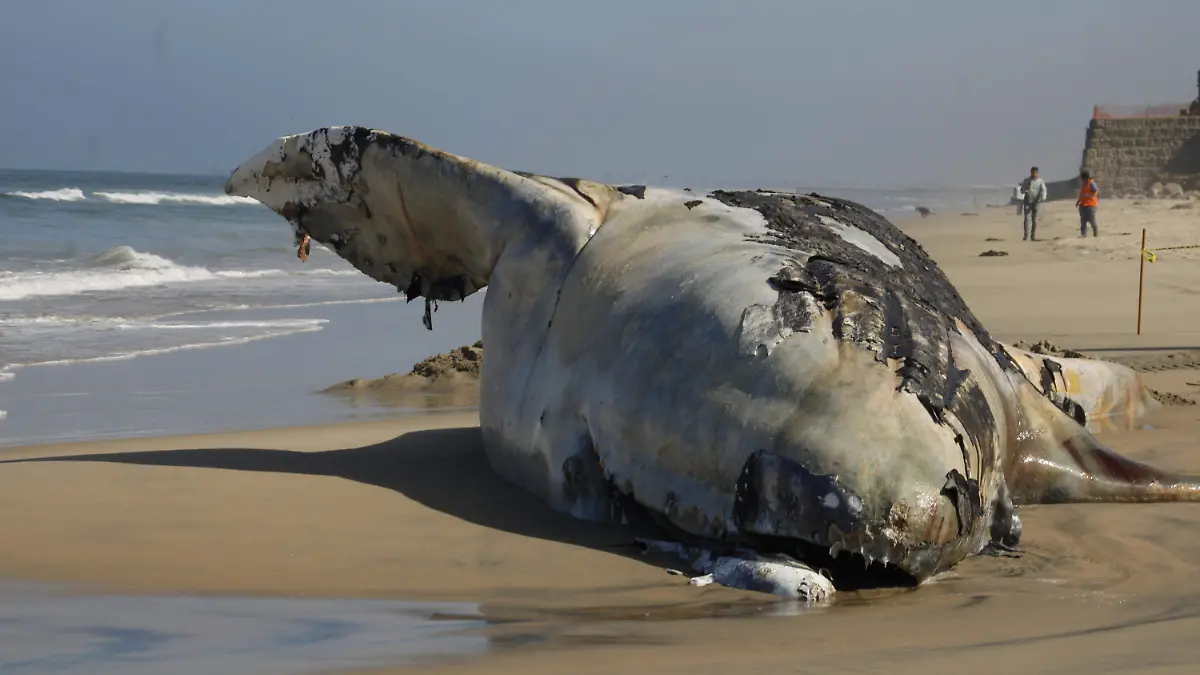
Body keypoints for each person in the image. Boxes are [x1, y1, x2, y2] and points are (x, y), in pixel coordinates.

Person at [1020, 166, 1047, 241]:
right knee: (1026, 218)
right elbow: (1022, 191)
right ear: (1031, 173)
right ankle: (1025, 235)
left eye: (1035, 173)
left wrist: (1043, 198)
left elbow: (1043, 190)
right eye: (1033, 173)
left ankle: (1033, 235)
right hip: (1027, 201)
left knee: (1034, 219)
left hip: (1036, 202)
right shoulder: (1026, 180)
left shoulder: (1040, 181)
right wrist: (1025, 188)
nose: (1034, 174)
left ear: (1037, 173)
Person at [1076, 170, 1099, 237]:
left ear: (1085, 178)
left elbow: (1096, 190)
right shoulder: (1084, 185)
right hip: (1083, 205)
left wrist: (1092, 196)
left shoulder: (1091, 183)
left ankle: (1095, 230)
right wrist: (1078, 201)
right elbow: (1082, 194)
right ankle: (1083, 234)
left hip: (1091, 206)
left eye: (1082, 178)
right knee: (1083, 220)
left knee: (1092, 220)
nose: (1081, 180)